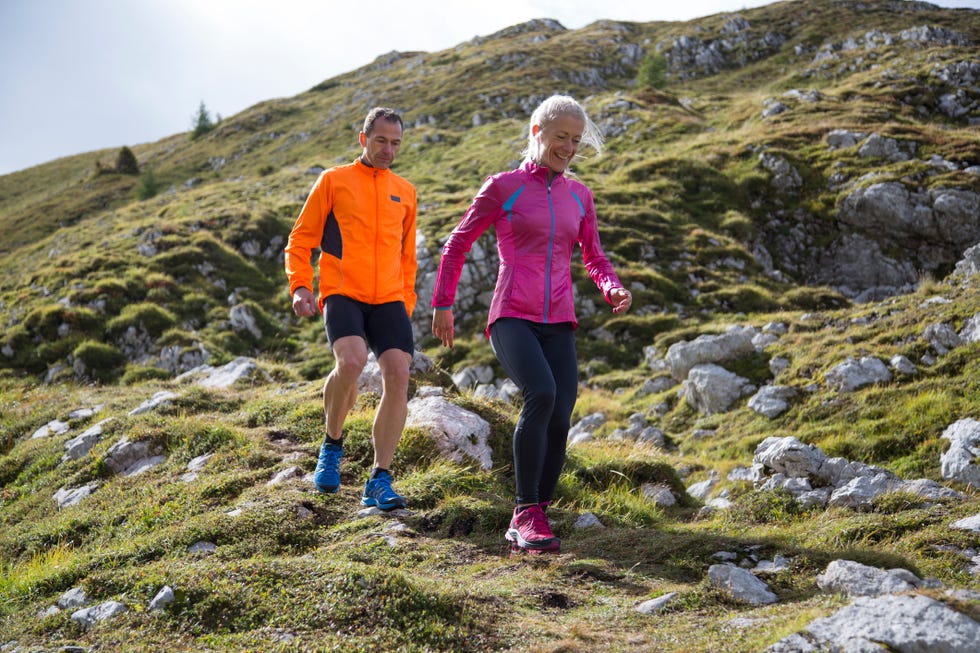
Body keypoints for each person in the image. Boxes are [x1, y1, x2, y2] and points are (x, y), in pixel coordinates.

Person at [430, 95, 632, 553]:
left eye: (577, 140)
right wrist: (444, 303)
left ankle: (538, 509)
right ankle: (524, 511)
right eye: (561, 136)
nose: (569, 147)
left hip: (559, 319)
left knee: (560, 415)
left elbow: (593, 256)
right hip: (512, 316)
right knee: (540, 393)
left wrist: (612, 286)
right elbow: (456, 244)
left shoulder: (580, 195)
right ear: (538, 132)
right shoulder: (504, 187)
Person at [285, 107, 417, 511]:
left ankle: (379, 479)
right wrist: (301, 285)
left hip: (390, 298)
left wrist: (406, 303)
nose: (388, 150)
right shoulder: (333, 181)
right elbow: (300, 239)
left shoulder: (406, 192)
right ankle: (332, 443)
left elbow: (407, 257)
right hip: (343, 291)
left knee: (398, 373)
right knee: (353, 362)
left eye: (395, 143)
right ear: (363, 139)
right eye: (380, 141)